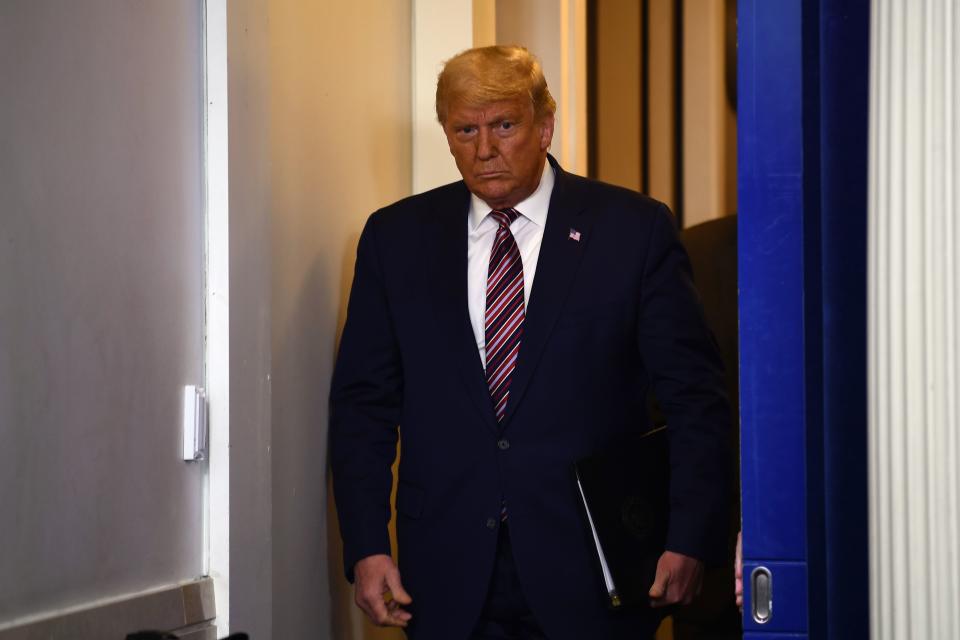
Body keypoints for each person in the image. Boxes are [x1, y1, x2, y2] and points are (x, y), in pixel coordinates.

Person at [330, 45, 730, 640]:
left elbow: (695, 399)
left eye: (504, 126)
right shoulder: (396, 239)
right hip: (445, 572)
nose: (484, 149)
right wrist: (366, 545)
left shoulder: (631, 231)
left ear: (545, 126)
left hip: (595, 573)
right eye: (465, 129)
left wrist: (689, 537)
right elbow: (364, 404)